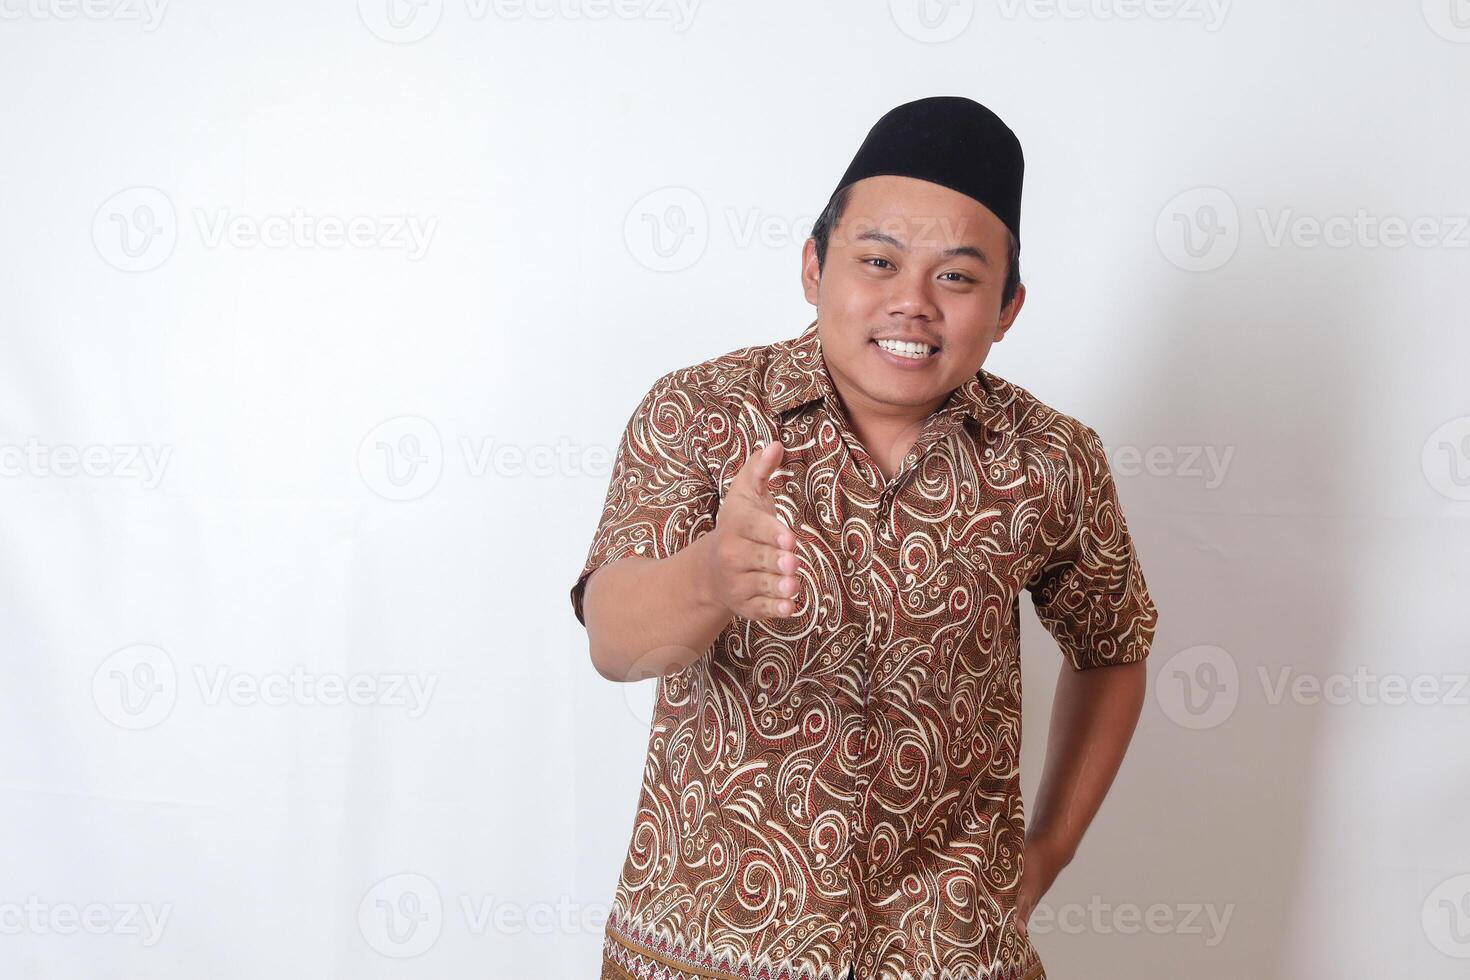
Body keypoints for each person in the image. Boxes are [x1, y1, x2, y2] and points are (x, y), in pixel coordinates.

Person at [572, 95, 1160, 980]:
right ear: (814, 266)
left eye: (958, 278)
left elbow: (1113, 647)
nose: (911, 303)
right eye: (877, 261)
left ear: (1008, 306)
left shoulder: (1052, 460)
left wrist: (1050, 850)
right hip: (706, 951)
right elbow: (614, 644)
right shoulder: (699, 413)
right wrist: (713, 579)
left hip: (953, 953)